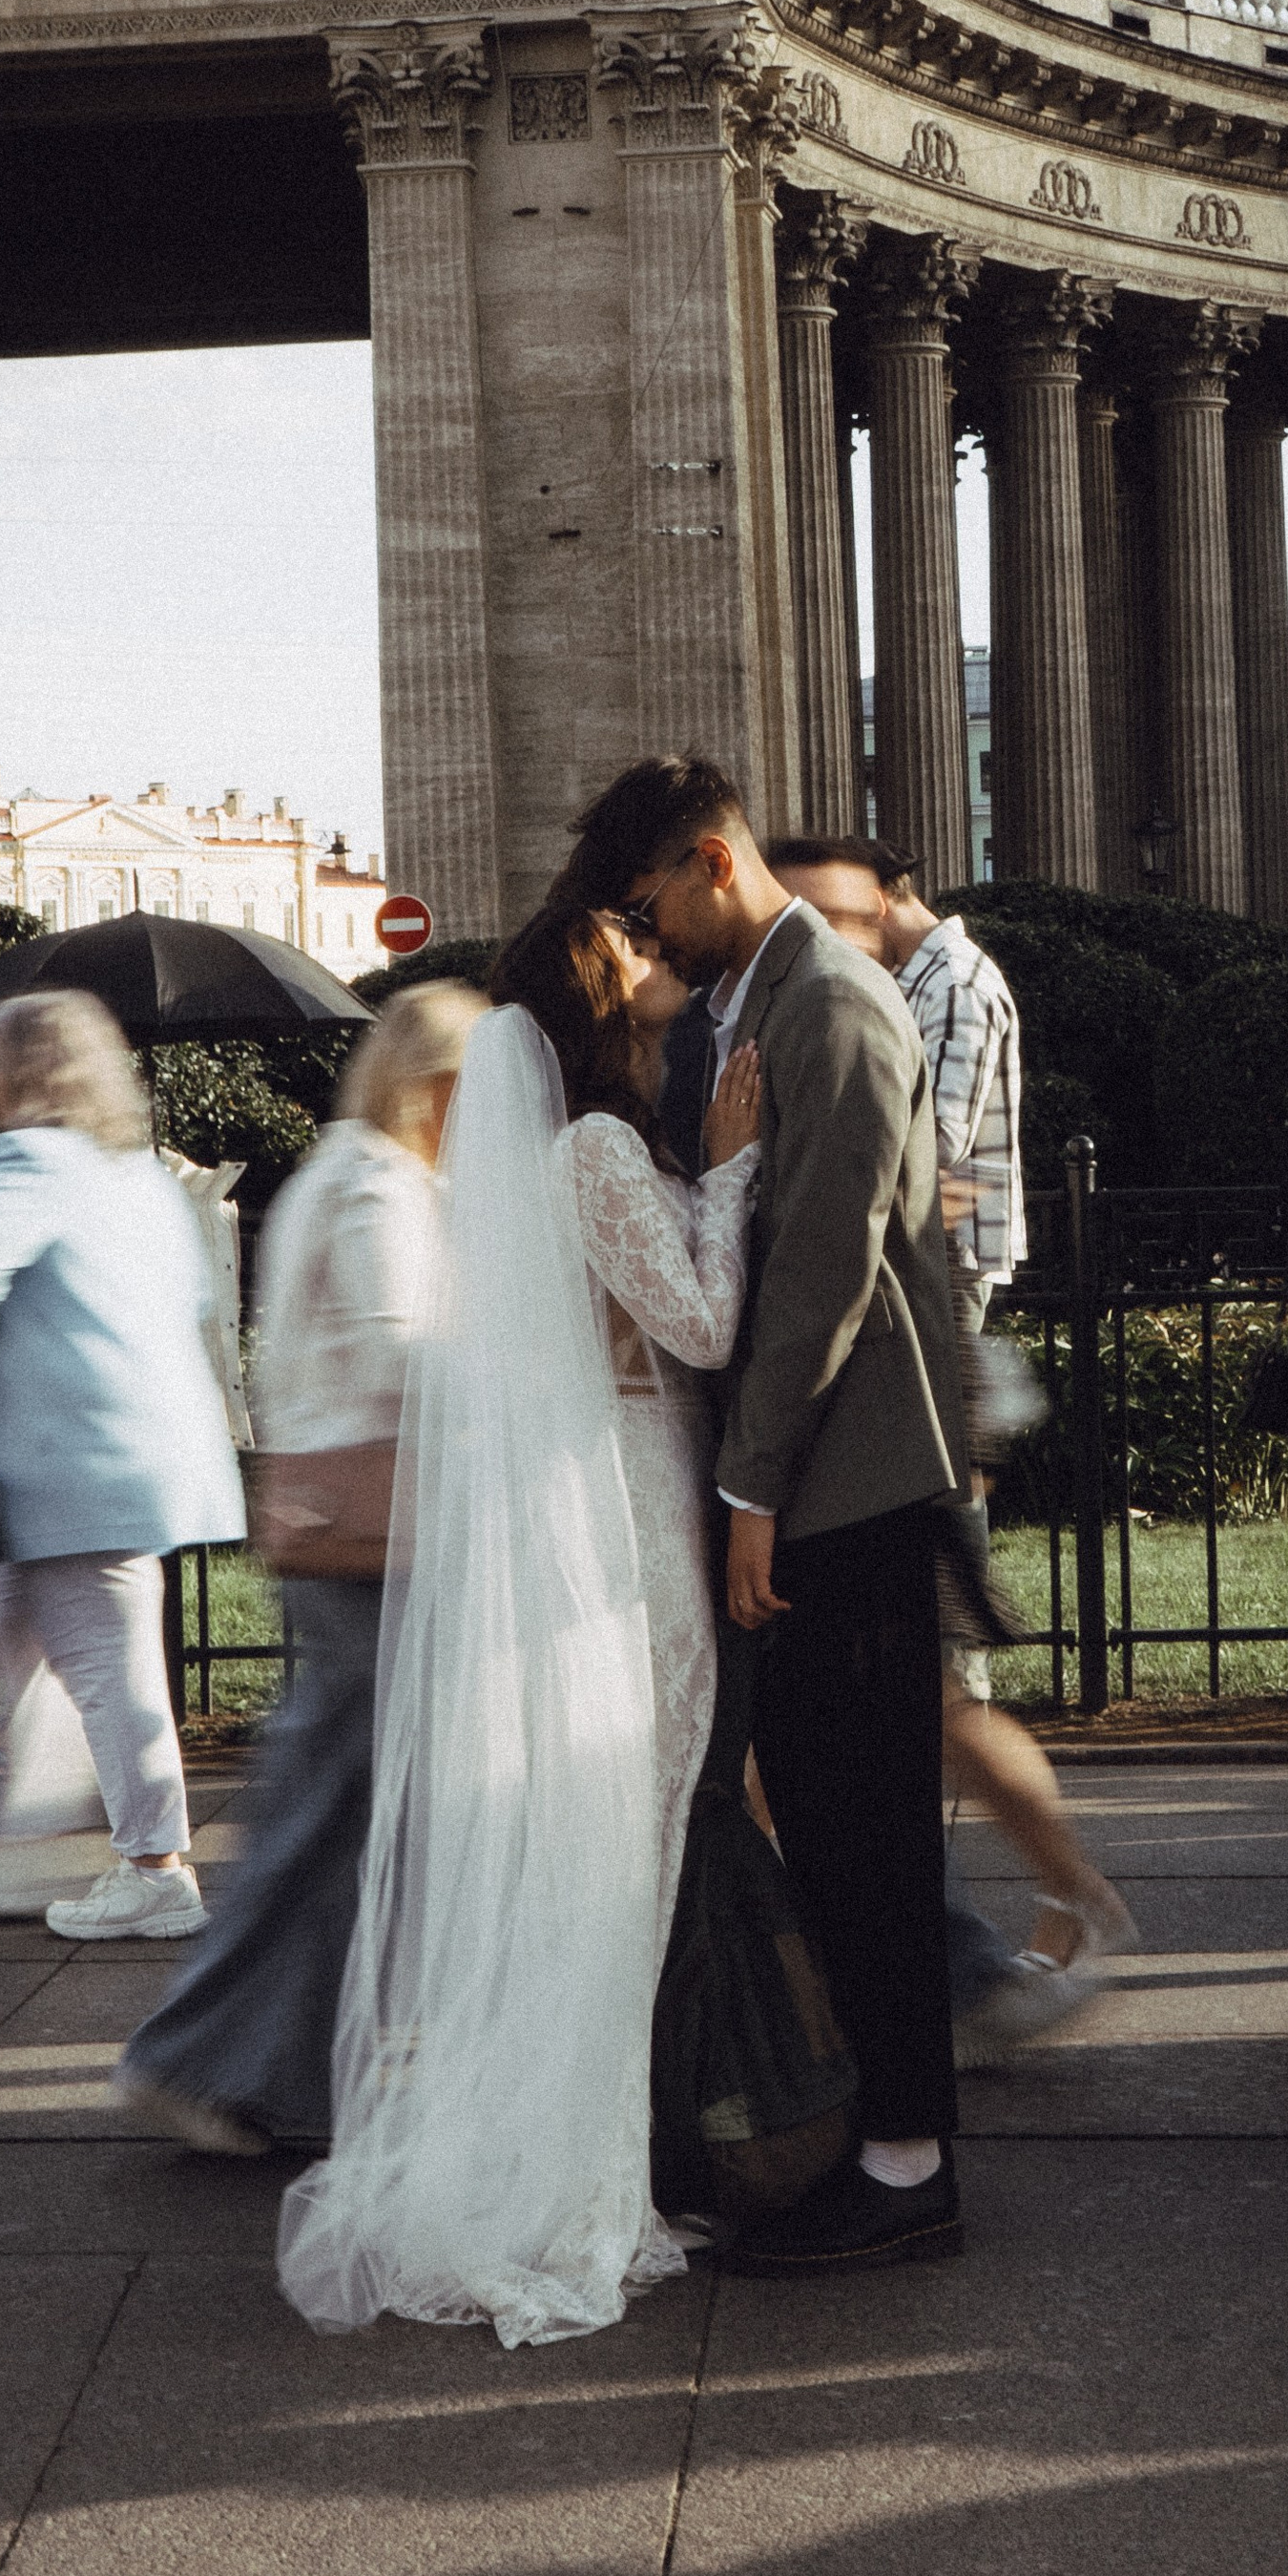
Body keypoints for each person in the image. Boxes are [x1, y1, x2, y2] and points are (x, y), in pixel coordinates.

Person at [279, 902, 763, 2346]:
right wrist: (733, 1181)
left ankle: (589, 2153)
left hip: (585, 1495)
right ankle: (584, 2186)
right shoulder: (598, 1150)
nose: (661, 969)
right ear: (599, 1010)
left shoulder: (511, 1167)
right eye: (636, 960)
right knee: (634, 1839)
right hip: (627, 1506)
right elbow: (698, 1324)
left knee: (607, 1834)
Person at [563, 755, 969, 2274]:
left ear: (712, 860)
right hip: (815, 1483)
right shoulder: (763, 999)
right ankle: (878, 2134)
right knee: (828, 1810)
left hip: (846, 1487)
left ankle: (910, 2162)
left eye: (653, 895)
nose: (648, 930)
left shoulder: (832, 1002)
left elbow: (825, 1269)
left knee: (867, 1831)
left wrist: (751, 1492)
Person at [767, 834, 1136, 2055]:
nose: (822, 936)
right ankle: (1001, 1937)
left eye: (838, 910)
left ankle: (1056, 1913)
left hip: (928, 1366)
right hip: (912, 1364)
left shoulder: (950, 988)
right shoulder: (890, 987)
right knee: (923, 1695)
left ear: (890, 897)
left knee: (935, 1695)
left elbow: (921, 1180)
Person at [111, 982, 486, 2155]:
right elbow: (400, 1357)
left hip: (343, 1528)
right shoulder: (380, 1183)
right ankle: (211, 2059)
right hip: (374, 1541)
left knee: (333, 1806)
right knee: (330, 1810)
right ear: (437, 1086)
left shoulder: (343, 1169)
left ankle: (262, 2059)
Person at [0, 990, 246, 1939]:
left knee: (100, 1661)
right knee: (37, 1644)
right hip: (143, 1443)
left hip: (70, 1454)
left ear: (22, 1073)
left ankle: (156, 1868)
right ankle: (14, 1851)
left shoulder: (23, 1157)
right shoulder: (133, 1174)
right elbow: (189, 1292)